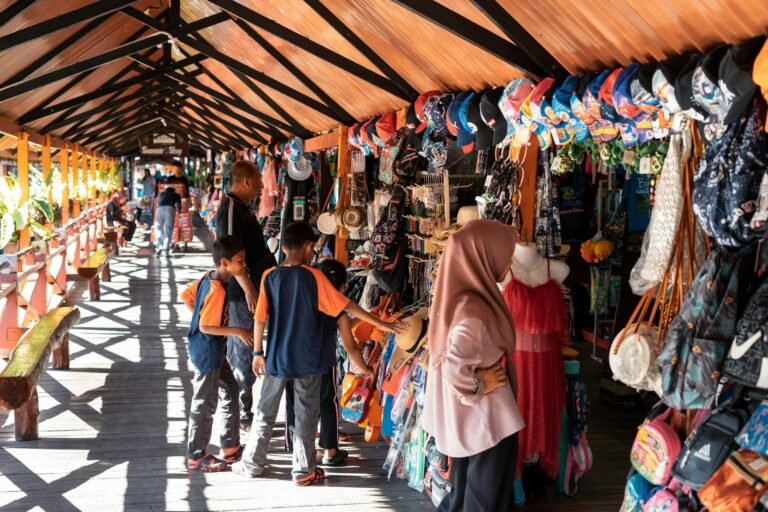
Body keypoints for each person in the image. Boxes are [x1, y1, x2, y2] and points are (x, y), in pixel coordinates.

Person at [232, 222, 399, 485]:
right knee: (306, 414)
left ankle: (252, 464)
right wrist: (382, 324)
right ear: (310, 247)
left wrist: (257, 352)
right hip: (308, 360)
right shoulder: (314, 277)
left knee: (265, 412)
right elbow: (348, 307)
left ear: (284, 247)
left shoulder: (269, 276)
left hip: (276, 358)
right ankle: (303, 470)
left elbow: (260, 318)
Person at [422, 220, 524, 512]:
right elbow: (455, 367)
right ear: (483, 256)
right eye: (506, 254)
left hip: (469, 422)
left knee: (463, 496)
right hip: (486, 422)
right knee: (483, 503)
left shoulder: (457, 299)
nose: (509, 262)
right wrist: (479, 386)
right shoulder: (473, 310)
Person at [284, 259, 374, 465]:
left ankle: (294, 448)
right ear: (342, 286)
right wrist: (365, 368)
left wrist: (364, 317)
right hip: (322, 362)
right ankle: (330, 451)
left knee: (294, 402)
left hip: (293, 359)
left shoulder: (300, 302)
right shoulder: (337, 311)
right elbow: (350, 347)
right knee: (327, 403)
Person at [180, 236, 252, 472]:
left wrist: (200, 317)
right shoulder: (217, 290)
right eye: (239, 261)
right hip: (207, 350)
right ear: (225, 262)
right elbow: (205, 327)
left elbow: (186, 297)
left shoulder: (207, 277)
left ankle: (230, 447)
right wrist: (238, 331)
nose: (243, 265)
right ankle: (196, 454)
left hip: (213, 348)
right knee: (205, 401)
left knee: (230, 389)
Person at [215, 160, 276, 432]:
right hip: (242, 294)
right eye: (260, 181)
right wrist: (249, 286)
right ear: (247, 182)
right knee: (243, 346)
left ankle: (247, 408)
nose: (263, 186)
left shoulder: (242, 208)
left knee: (250, 345)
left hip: (255, 287)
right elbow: (229, 254)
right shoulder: (229, 209)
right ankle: (242, 412)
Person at [155, 186, 182, 257]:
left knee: (158, 228)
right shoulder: (176, 195)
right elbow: (179, 206)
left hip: (159, 209)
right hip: (170, 209)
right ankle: (166, 250)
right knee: (168, 229)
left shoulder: (161, 194)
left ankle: (159, 247)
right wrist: (179, 212)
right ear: (173, 190)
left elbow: (157, 203)